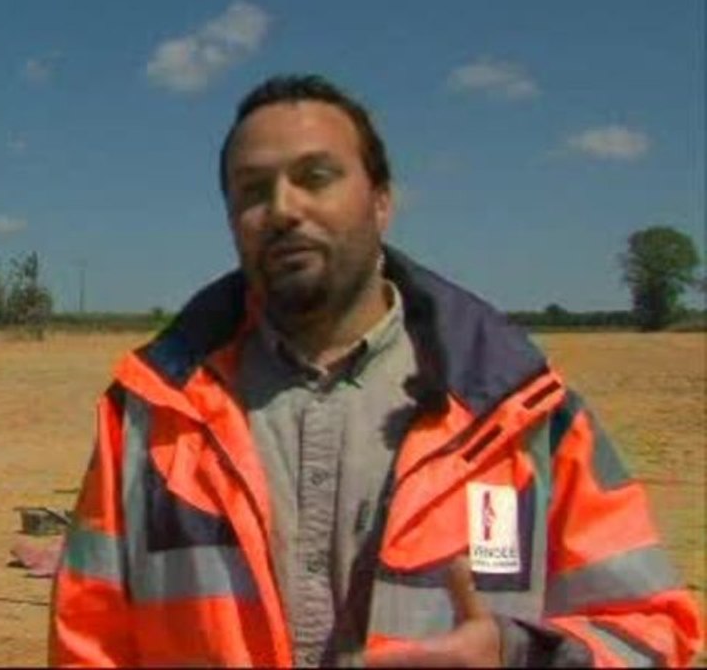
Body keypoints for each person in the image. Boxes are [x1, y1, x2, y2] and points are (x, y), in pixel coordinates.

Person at [49, 74, 703, 667]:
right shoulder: (147, 418)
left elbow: (652, 632)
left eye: (315, 176)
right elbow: (88, 646)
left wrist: (519, 657)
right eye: (252, 190)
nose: (282, 208)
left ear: (381, 201)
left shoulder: (521, 414)